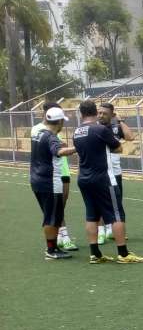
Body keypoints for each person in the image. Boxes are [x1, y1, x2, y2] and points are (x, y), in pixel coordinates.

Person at [71, 100, 143, 264]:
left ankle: (95, 254)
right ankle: (123, 254)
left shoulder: (76, 132)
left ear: (81, 114)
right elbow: (118, 148)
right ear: (95, 113)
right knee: (117, 214)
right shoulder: (100, 129)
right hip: (103, 178)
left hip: (83, 178)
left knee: (92, 215)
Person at [30, 106, 77, 259]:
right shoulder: (51, 137)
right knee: (51, 217)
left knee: (54, 215)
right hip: (49, 182)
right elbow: (59, 151)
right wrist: (78, 147)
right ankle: (51, 251)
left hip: (37, 179)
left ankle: (54, 247)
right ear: (59, 122)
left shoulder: (38, 133)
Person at [96, 102, 133, 243]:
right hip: (99, 172)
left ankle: (113, 230)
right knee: (98, 203)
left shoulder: (116, 128)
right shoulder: (94, 128)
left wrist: (120, 120)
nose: (101, 115)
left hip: (115, 173)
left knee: (116, 203)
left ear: (112, 115)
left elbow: (130, 137)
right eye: (99, 112)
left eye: (105, 113)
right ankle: (101, 232)